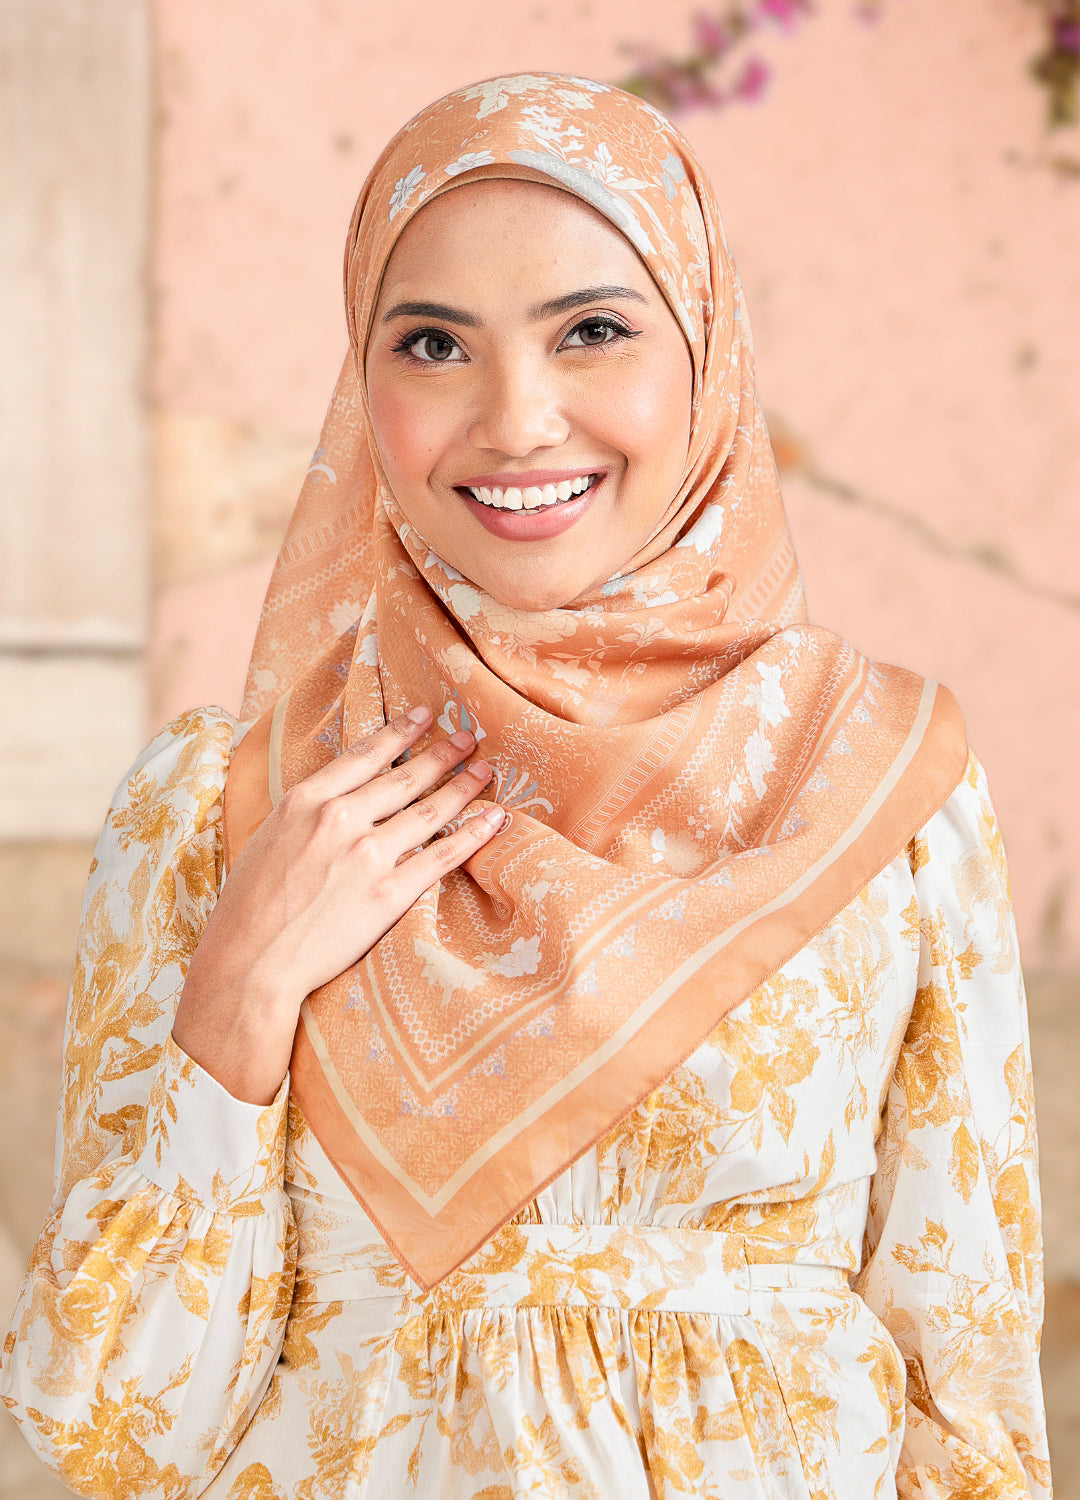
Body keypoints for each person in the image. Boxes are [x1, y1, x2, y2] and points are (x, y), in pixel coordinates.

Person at [0, 73, 1051, 1498]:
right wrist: (242, 986)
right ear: (358, 376)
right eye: (432, 343)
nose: (516, 420)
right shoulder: (225, 804)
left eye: (594, 332)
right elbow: (113, 1434)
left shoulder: (877, 786)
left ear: (707, 351)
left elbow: (969, 1387)